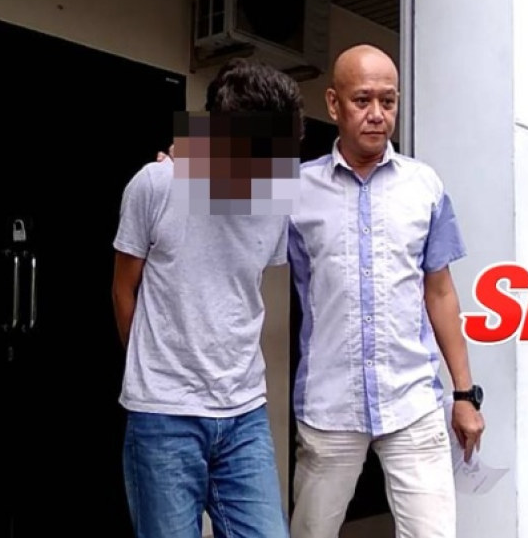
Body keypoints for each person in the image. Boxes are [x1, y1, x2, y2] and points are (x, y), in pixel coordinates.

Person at [287, 43, 486, 538]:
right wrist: (183, 164)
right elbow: (217, 212)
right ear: (333, 104)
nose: (377, 114)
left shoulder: (425, 186)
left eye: (388, 101)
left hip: (412, 402)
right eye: (362, 100)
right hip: (330, 407)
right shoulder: (294, 190)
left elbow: (440, 293)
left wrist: (465, 394)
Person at [112, 57, 302, 538]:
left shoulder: (276, 197)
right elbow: (122, 288)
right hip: (164, 415)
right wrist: (152, 372)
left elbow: (238, 285)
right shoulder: (155, 185)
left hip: (245, 412)